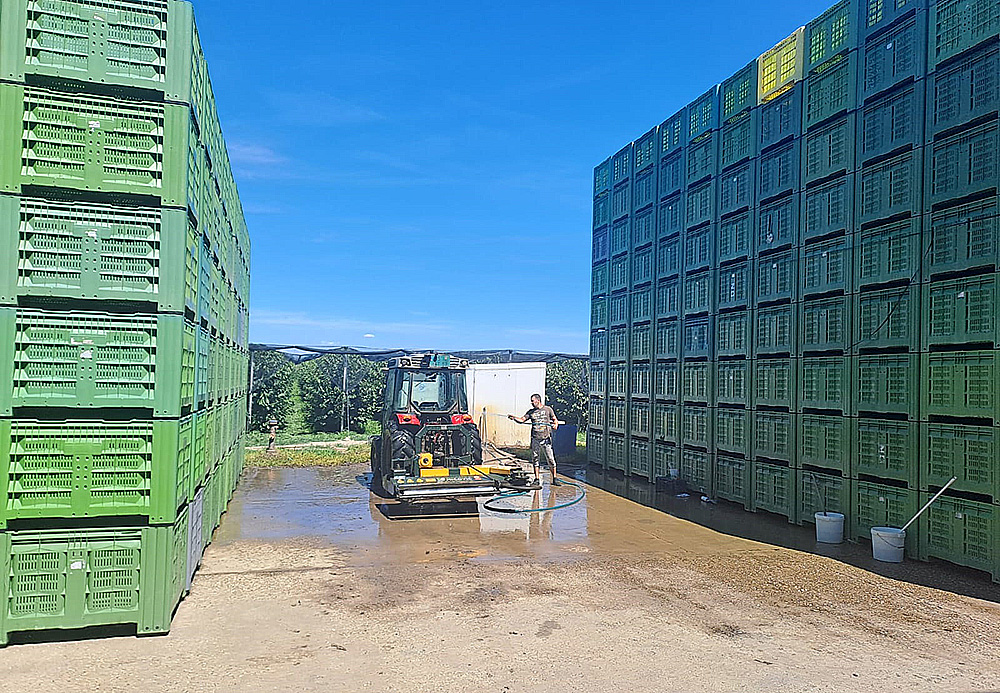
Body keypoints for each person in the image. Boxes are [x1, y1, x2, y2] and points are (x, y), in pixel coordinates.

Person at [508, 394, 559, 486]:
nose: (531, 402)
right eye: (531, 401)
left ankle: (554, 478)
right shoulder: (531, 412)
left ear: (538, 400)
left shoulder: (548, 409)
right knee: (535, 459)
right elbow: (522, 420)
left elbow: (555, 420)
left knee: (551, 459)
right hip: (535, 438)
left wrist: (555, 425)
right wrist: (514, 418)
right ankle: (537, 479)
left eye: (533, 401)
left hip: (546, 438)